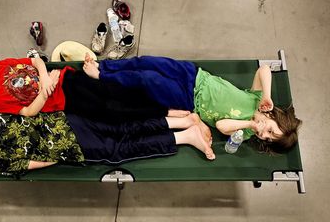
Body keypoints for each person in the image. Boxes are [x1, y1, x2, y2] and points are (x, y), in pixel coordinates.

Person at [82, 54, 302, 153]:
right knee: (146, 62)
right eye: (271, 130)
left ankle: (101, 77)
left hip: (188, 99)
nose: (265, 134)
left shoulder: (244, 132)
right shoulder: (258, 101)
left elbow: (223, 126)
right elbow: (264, 70)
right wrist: (267, 95)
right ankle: (105, 66)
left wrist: (250, 126)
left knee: (146, 79)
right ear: (273, 116)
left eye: (268, 139)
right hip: (195, 75)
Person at [0, 111, 215, 176]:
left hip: (71, 145)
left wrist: (61, 156)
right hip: (69, 120)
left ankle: (186, 137)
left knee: (121, 151)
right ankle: (183, 120)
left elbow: (35, 163)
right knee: (124, 126)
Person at [0, 57, 187, 123]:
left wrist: (45, 77)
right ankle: (163, 112)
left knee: (114, 90)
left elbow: (35, 61)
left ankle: (167, 99)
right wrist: (44, 91)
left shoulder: (3, 66)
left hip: (66, 80)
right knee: (112, 112)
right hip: (64, 102)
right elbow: (28, 112)